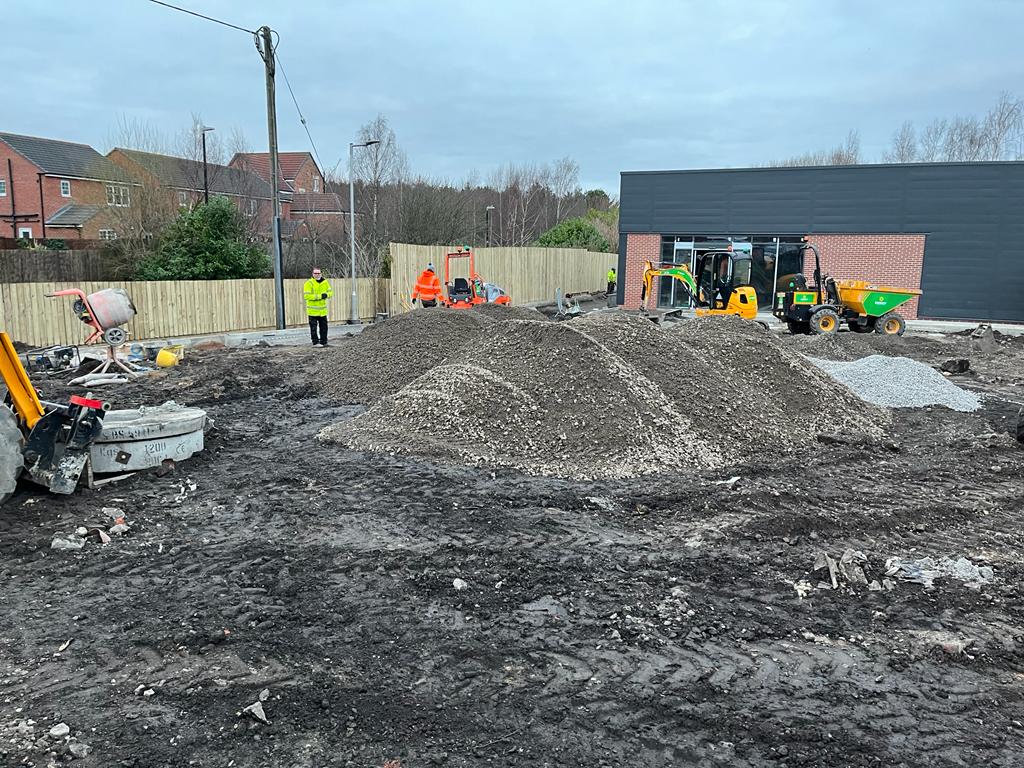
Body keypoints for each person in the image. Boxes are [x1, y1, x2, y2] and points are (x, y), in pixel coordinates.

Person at [303, 267, 333, 347]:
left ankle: (324, 342)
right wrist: (320, 296)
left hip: (322, 311)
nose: (317, 275)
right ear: (312, 274)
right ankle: (315, 342)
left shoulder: (325, 282)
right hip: (313, 311)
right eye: (315, 273)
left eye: (318, 273)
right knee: (313, 328)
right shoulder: (309, 283)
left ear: (321, 274)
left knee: (324, 327)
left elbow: (330, 292)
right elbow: (307, 296)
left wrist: (326, 295)